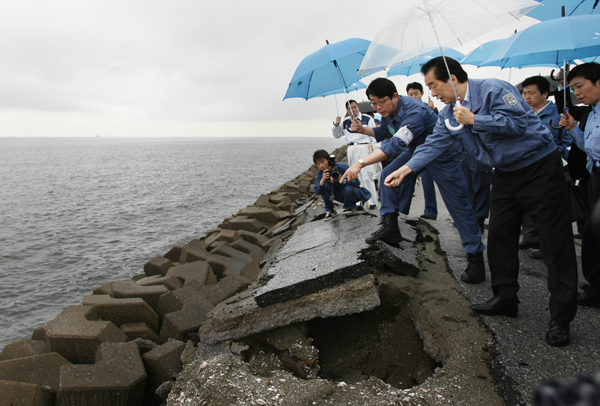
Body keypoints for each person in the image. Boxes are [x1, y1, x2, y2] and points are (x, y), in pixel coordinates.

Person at [384, 56, 577, 347]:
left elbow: (521, 123)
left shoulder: (494, 89)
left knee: (553, 242)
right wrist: (405, 169)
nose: (432, 92)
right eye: (428, 87)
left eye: (434, 85)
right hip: (504, 174)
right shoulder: (449, 114)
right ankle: (505, 297)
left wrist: (475, 119)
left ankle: (561, 319)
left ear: (452, 77)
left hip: (538, 167)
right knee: (499, 236)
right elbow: (434, 144)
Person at [340, 77, 486, 283]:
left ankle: (475, 256)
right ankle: (390, 226)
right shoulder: (389, 112)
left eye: (381, 101)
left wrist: (360, 163)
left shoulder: (414, 111)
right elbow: (383, 132)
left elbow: (395, 144)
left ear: (395, 96)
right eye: (373, 103)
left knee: (458, 205)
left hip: (441, 153)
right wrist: (362, 129)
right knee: (386, 175)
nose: (378, 107)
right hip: (416, 150)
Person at [559, 62, 600, 309]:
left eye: (580, 86)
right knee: (591, 233)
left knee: (593, 233)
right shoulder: (592, 111)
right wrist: (573, 128)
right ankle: (595, 284)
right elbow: (589, 148)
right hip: (594, 174)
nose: (576, 93)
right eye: (573, 88)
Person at [520, 75, 573, 258]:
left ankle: (548, 246)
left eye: (531, 93)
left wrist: (566, 167)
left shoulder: (558, 113)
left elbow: (568, 143)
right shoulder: (524, 114)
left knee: (548, 209)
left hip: (550, 167)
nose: (526, 97)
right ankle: (530, 235)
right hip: (527, 166)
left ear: (544, 93)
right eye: (524, 93)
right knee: (527, 203)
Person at [398, 82, 439, 220]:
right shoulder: (406, 110)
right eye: (410, 94)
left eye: (416, 93)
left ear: (421, 93)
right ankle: (402, 210)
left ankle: (430, 211)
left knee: (427, 182)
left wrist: (434, 110)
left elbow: (438, 125)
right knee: (405, 178)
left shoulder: (428, 109)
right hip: (412, 150)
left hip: (427, 151)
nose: (413, 96)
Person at [332, 100, 378, 209]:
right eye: (350, 108)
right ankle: (358, 202)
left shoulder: (367, 119)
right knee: (354, 176)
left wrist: (376, 150)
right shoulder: (346, 122)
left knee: (367, 175)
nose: (353, 110)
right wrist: (337, 124)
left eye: (355, 107)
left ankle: (372, 202)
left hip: (364, 147)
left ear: (358, 107)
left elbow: (373, 135)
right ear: (347, 110)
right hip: (352, 148)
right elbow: (337, 135)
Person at [313, 149, 371, 221]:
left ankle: (353, 206)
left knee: (348, 189)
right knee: (324, 186)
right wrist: (323, 180)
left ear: (328, 160)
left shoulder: (342, 167)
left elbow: (356, 183)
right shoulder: (321, 173)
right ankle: (330, 211)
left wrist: (342, 181)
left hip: (354, 193)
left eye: (322, 162)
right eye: (318, 164)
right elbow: (317, 191)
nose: (321, 166)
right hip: (340, 196)